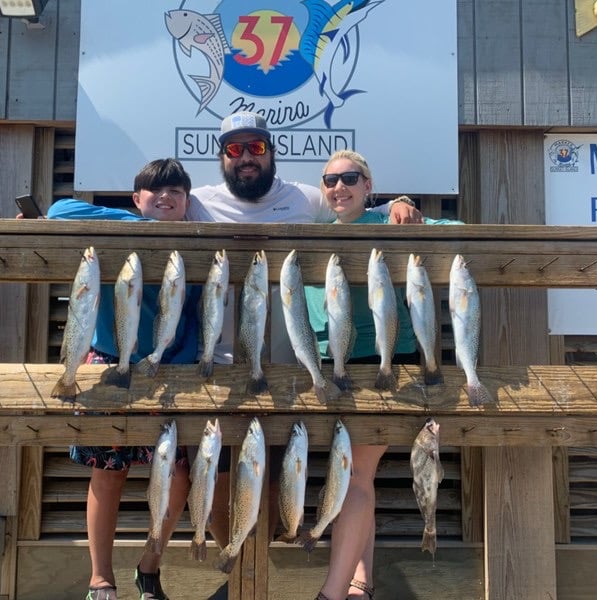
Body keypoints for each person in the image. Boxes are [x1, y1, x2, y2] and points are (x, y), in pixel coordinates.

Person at [186, 114, 425, 597]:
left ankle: (312, 579)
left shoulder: (306, 198)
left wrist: (400, 203)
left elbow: (359, 210)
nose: (246, 157)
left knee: (286, 482)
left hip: (290, 368)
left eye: (254, 146)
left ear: (271, 151)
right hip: (214, 367)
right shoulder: (197, 203)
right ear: (221, 157)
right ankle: (236, 572)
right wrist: (46, 218)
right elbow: (144, 213)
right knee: (215, 485)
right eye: (234, 150)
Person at [307, 150, 463, 600]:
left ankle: (333, 593)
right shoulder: (313, 235)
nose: (339, 187)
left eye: (350, 178)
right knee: (359, 476)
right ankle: (362, 582)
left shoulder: (389, 223)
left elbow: (458, 234)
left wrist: (406, 206)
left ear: (367, 186)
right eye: (330, 180)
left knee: (354, 475)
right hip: (330, 368)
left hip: (383, 366)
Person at [46, 159, 200, 600]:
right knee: (107, 475)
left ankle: (149, 566)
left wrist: (177, 365)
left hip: (168, 371)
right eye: (155, 191)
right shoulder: (121, 226)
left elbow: (192, 320)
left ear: (188, 203)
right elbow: (60, 212)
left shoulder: (196, 246)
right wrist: (133, 222)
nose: (166, 197)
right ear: (136, 198)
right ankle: (100, 579)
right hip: (108, 363)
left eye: (176, 192)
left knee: (177, 476)